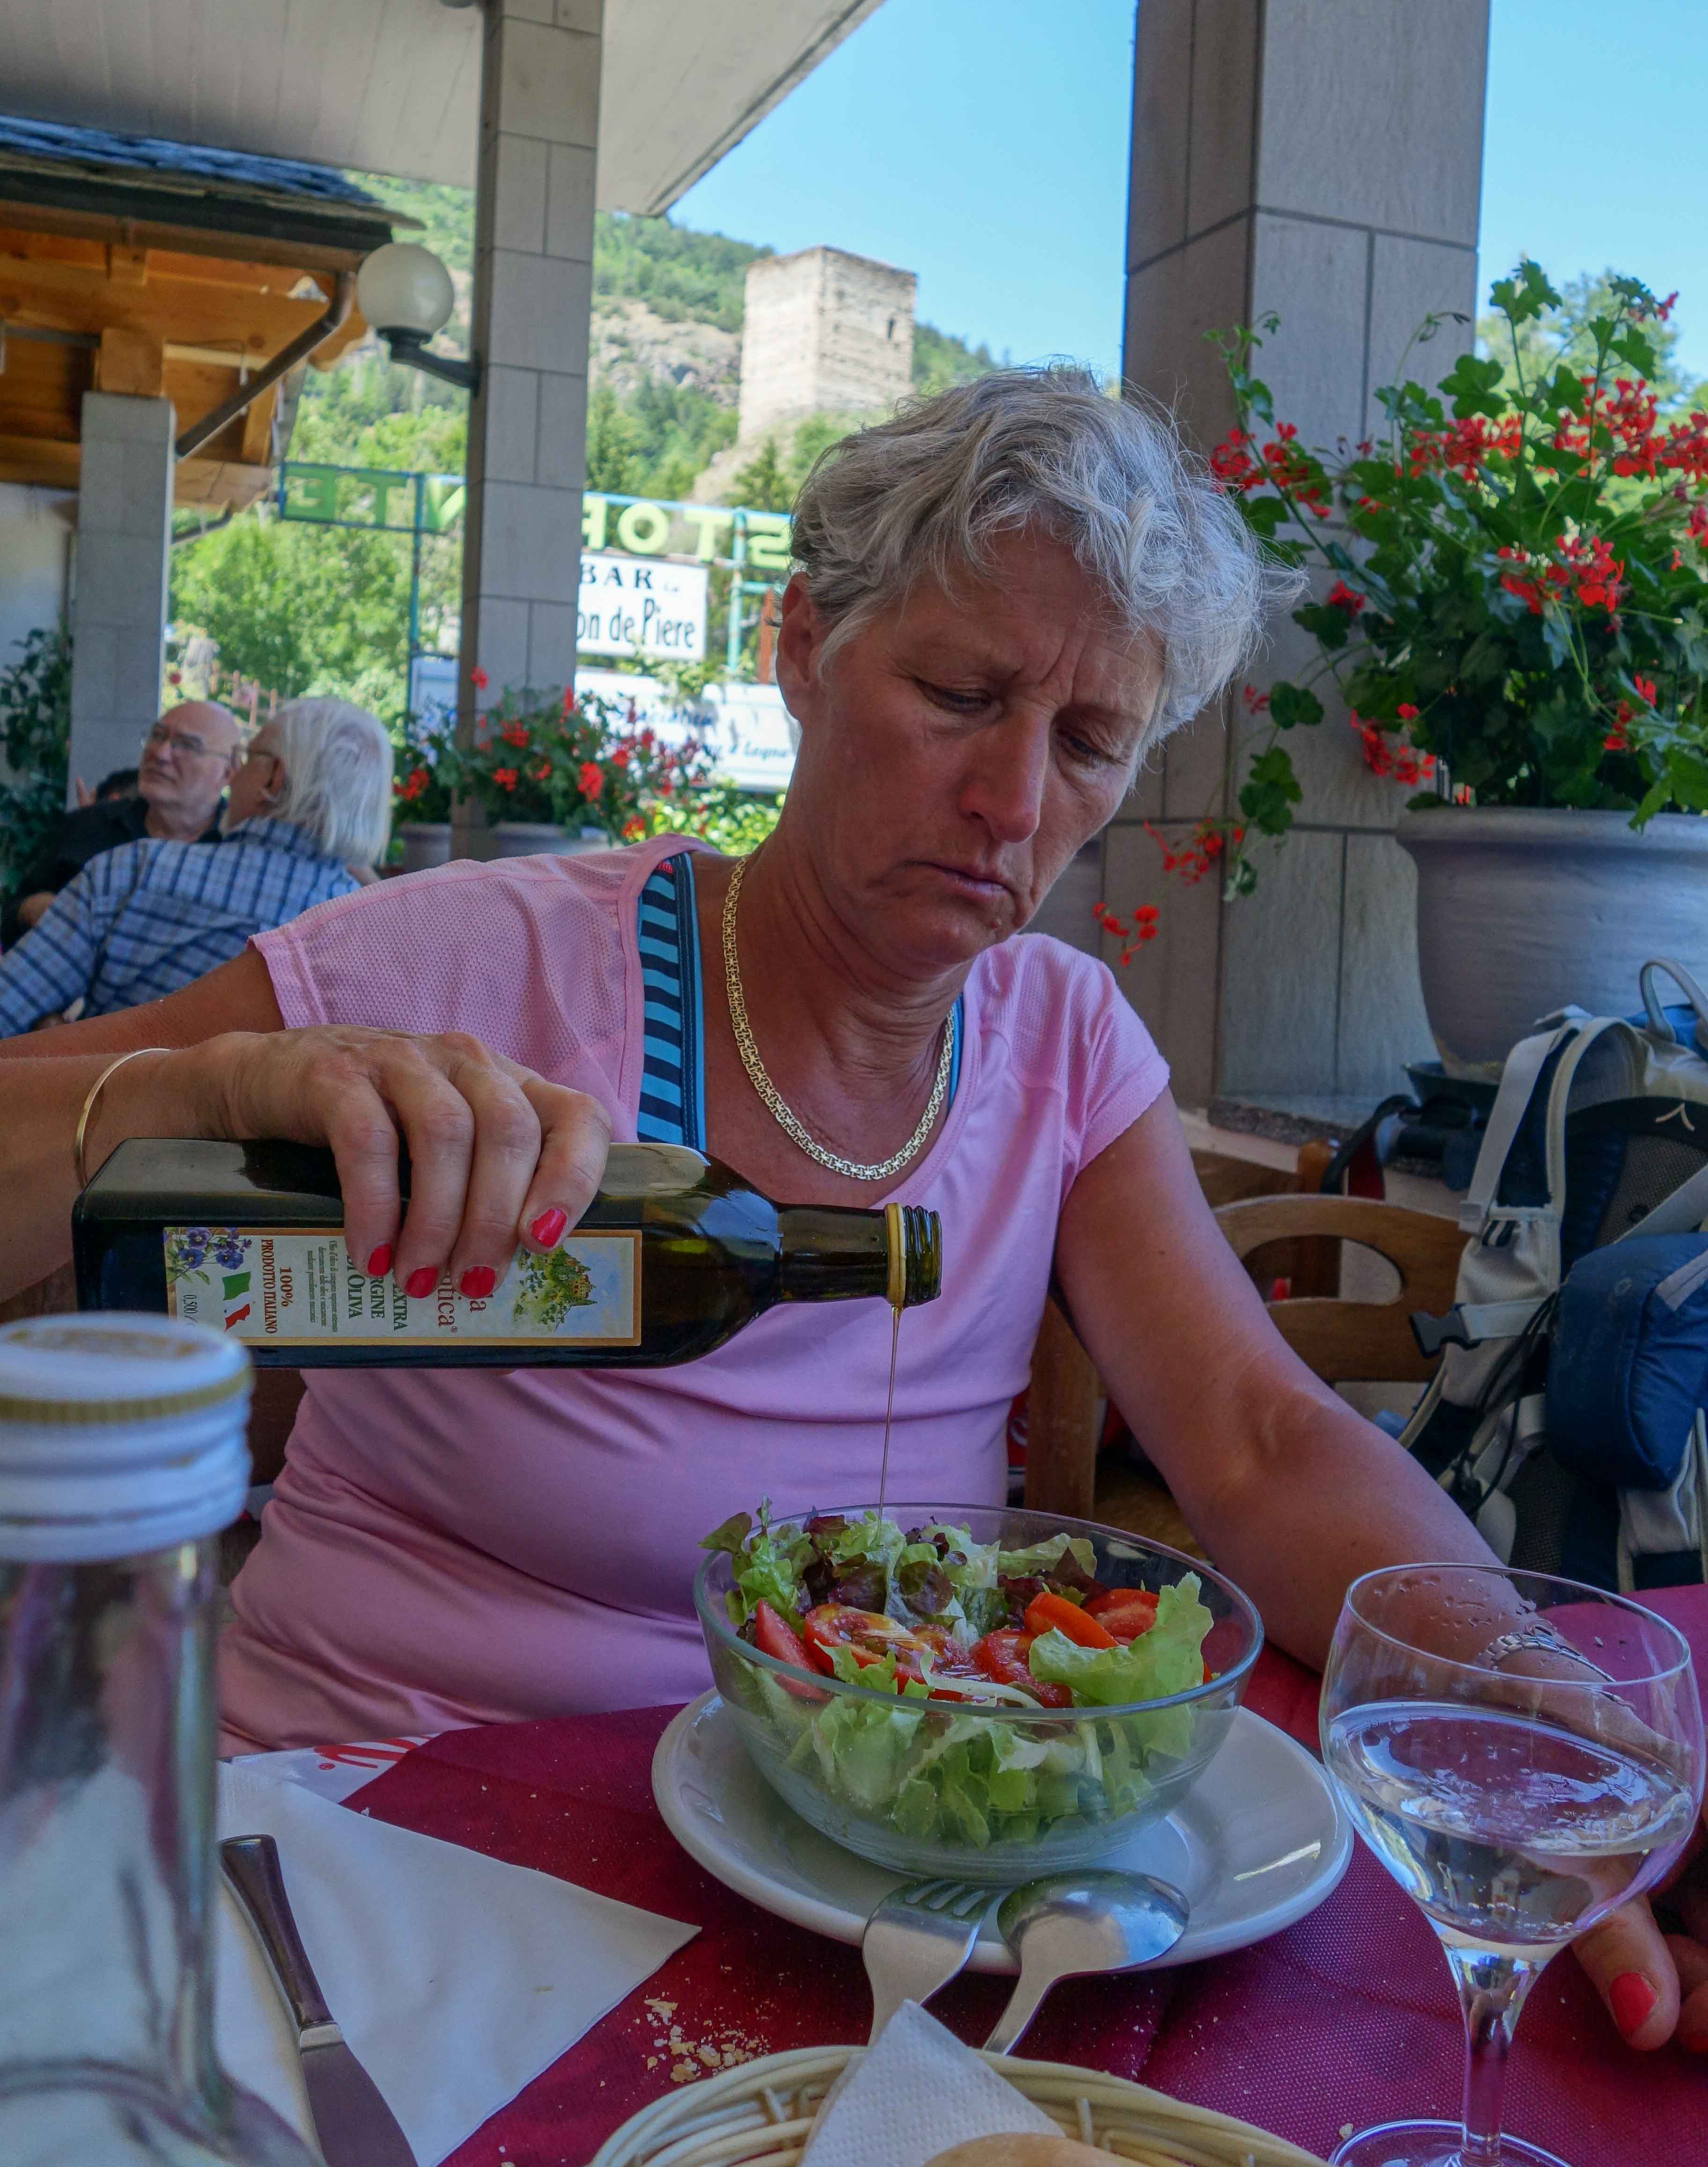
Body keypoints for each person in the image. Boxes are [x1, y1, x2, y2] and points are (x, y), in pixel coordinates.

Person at [1, 370, 1701, 2056]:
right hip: (378, 1876)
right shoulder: (475, 960)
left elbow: (1255, 1432)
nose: (1016, 801)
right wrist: (194, 1092)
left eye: (1091, 740)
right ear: (803, 644)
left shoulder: (1057, 1039)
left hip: (876, 1903)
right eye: (961, 694)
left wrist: (1540, 1711)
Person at [0, 696, 391, 1034]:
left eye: (246, 759)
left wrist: (55, 1041)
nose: (160, 753)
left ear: (272, 780)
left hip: (104, 1108)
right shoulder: (372, 935)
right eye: (157, 735)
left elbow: (11, 1004)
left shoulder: (130, 870)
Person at [3, 700, 241, 944]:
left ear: (228, 772)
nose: (160, 754)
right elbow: (11, 915)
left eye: (187, 745)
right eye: (157, 736)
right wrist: (32, 909)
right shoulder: (89, 825)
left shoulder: (239, 854)